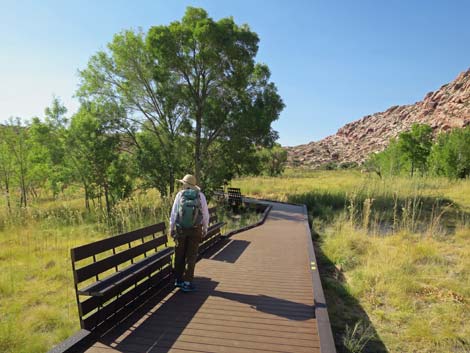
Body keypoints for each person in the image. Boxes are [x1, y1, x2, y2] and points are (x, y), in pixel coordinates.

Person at [169, 174, 209, 292]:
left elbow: (174, 213)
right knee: (191, 256)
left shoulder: (180, 195)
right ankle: (187, 282)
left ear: (184, 184)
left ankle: (178, 280)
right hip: (196, 229)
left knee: (179, 253)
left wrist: (171, 228)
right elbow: (205, 215)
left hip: (180, 229)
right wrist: (205, 228)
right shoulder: (200, 196)